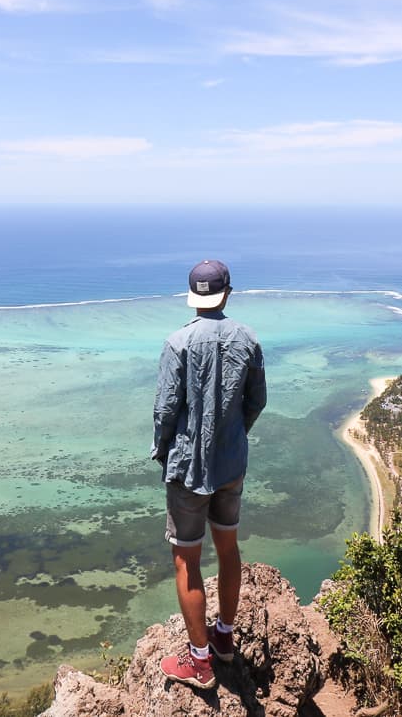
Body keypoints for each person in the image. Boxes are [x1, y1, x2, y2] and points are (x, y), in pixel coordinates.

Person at [151, 259, 267, 690]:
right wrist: (233, 437)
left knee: (187, 558)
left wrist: (163, 449)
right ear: (228, 293)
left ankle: (199, 663)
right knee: (229, 547)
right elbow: (257, 401)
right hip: (231, 465)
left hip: (189, 469)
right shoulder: (248, 339)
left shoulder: (177, 343)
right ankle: (223, 636)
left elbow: (165, 410)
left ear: (192, 297)